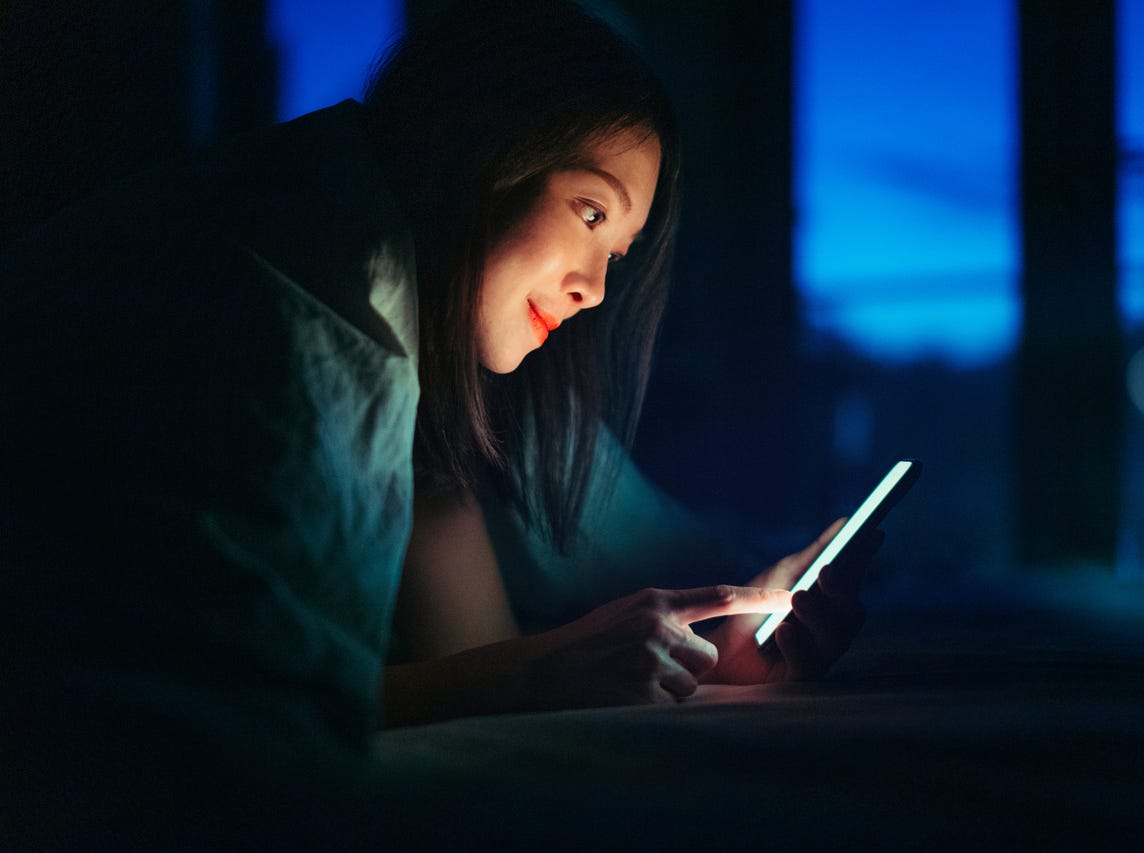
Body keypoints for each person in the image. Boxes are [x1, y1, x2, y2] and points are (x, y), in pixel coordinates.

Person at [0, 0, 880, 844]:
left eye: (617, 252)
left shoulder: (428, 377)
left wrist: (711, 653)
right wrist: (550, 665)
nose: (594, 288)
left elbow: (470, 663)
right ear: (488, 148)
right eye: (590, 212)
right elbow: (261, 700)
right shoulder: (312, 293)